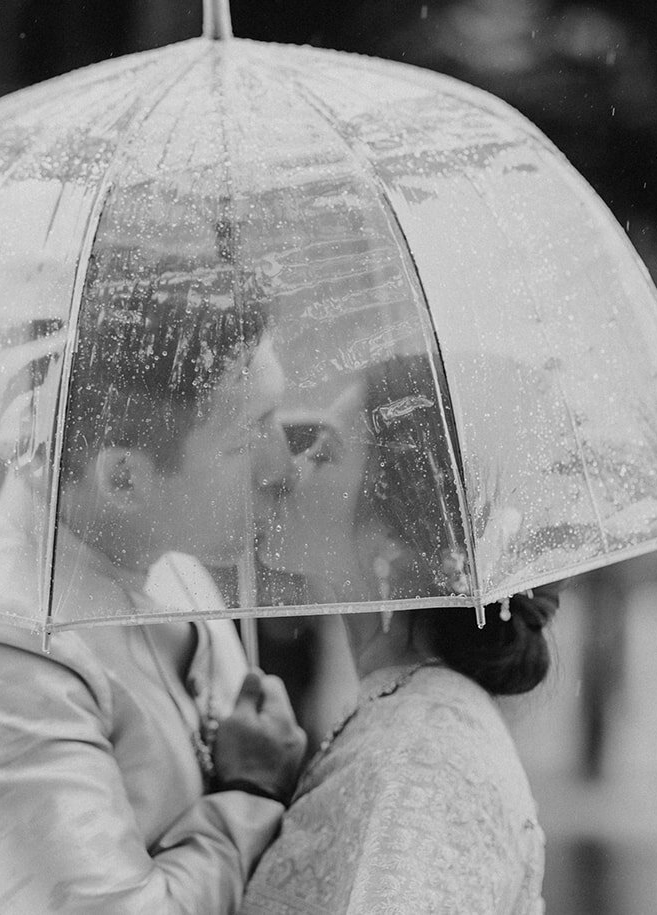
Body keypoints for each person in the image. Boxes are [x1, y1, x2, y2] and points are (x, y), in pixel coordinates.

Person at [0, 252, 308, 914]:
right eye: (248, 436)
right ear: (123, 477)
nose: (282, 462)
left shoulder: (177, 568)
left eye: (277, 414)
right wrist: (249, 797)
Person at [244, 353, 557, 915]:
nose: (291, 467)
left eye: (326, 453)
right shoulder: (403, 712)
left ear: (395, 539)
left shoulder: (425, 756)